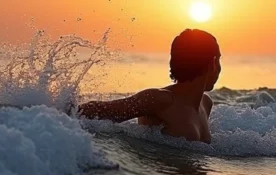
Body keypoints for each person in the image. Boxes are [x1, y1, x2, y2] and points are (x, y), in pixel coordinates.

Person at [70, 29, 221, 143]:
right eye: (219, 59)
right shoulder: (160, 100)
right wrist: (59, 111)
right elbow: (103, 111)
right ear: (213, 62)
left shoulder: (205, 103)